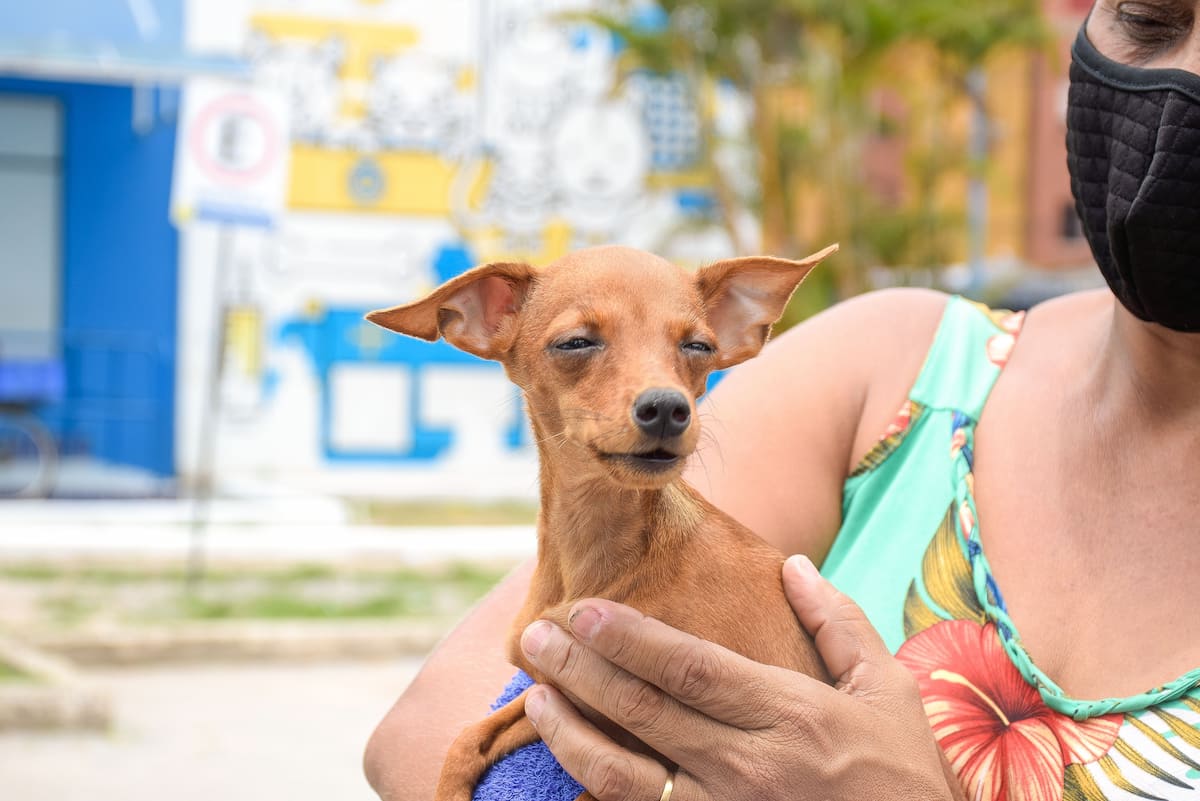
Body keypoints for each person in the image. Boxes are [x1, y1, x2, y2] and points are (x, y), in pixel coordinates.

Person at [364, 2, 1200, 799]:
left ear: (731, 331)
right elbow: (417, 741)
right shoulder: (893, 370)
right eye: (1151, 18)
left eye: (691, 349)